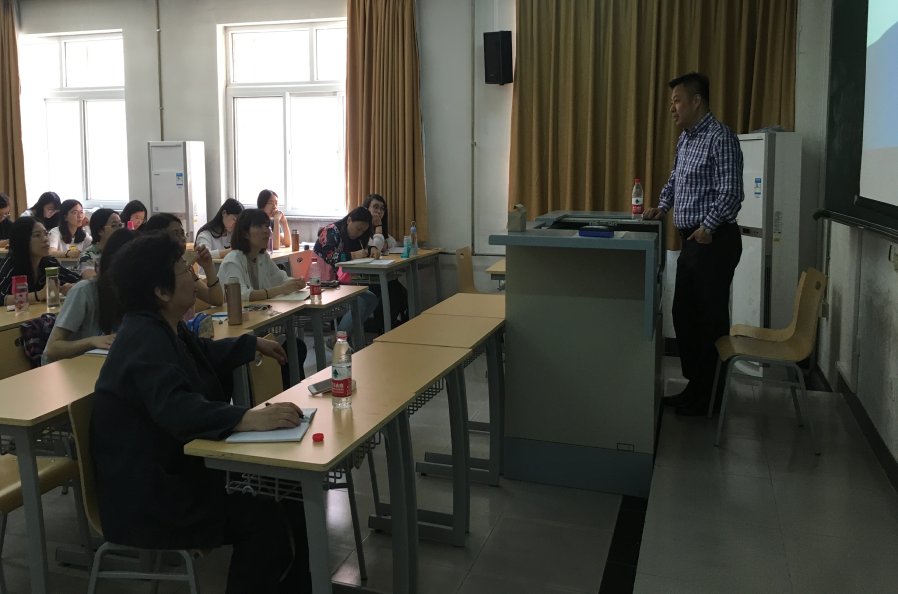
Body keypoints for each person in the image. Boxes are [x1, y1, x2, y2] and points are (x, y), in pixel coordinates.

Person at [90, 232, 312, 593]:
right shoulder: (142, 340)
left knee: (288, 485)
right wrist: (247, 418)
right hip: (151, 497)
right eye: (185, 270)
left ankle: (303, 582)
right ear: (162, 291)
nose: (195, 277)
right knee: (265, 522)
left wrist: (251, 343)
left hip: (177, 472)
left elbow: (201, 354)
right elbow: (178, 410)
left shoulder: (160, 326)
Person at [644, 72, 744, 416]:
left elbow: (731, 193)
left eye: (677, 101)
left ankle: (711, 396)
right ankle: (695, 386)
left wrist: (707, 227)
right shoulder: (685, 139)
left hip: (714, 241)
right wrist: (662, 206)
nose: (672, 108)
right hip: (692, 242)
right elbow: (676, 180)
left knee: (708, 320)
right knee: (684, 314)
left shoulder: (720, 137)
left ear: (696, 100)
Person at [220, 209, 308, 383]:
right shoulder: (233, 260)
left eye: (267, 226)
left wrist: (296, 282)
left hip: (259, 327)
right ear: (245, 233)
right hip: (238, 332)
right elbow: (243, 295)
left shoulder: (262, 257)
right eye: (258, 226)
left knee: (296, 347)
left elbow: (280, 278)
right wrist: (282, 289)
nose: (266, 231)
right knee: (291, 350)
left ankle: (289, 392)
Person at [42, 229, 138, 365]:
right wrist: (91, 341)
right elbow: (52, 349)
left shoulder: (138, 293)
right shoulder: (84, 291)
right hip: (69, 369)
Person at [313, 207, 380, 345]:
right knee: (359, 303)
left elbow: (361, 248)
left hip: (338, 283)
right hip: (321, 284)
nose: (359, 233)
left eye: (363, 231)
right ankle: (338, 342)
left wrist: (371, 248)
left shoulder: (351, 235)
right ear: (349, 220)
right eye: (358, 229)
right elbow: (330, 256)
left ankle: (341, 337)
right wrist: (353, 255)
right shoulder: (330, 231)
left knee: (372, 299)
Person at [144, 213, 224, 318]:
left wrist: (208, 267)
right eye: (175, 234)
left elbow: (216, 299)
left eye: (182, 233)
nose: (182, 238)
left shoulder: (187, 270)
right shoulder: (154, 273)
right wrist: (184, 264)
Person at [0, 217, 85, 305]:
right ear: (22, 239)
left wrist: (73, 286)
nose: (45, 239)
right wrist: (38, 295)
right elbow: (1, 297)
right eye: (37, 235)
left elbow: (81, 280)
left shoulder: (50, 263)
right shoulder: (11, 264)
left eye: (46, 233)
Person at [361, 194, 408, 331]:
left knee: (396, 287)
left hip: (377, 273)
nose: (379, 211)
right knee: (393, 289)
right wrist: (378, 227)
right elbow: (374, 246)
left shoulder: (379, 231)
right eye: (375, 207)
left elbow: (391, 241)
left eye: (382, 208)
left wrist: (384, 242)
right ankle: (385, 324)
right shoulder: (361, 228)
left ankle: (387, 323)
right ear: (366, 208)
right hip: (361, 276)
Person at [77, 208, 123, 275]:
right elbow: (91, 278)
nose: (120, 229)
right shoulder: (87, 256)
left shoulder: (122, 251)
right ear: (100, 231)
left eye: (120, 224)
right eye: (114, 225)